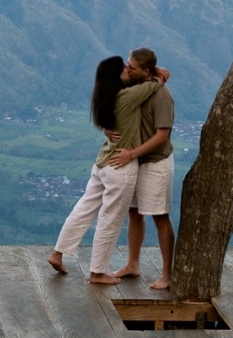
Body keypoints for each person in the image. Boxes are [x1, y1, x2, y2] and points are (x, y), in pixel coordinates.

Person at [47, 54, 168, 285]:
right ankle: (97, 272)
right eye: (124, 68)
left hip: (102, 163)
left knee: (84, 208)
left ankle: (57, 253)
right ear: (117, 76)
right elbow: (156, 82)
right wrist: (157, 70)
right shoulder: (128, 96)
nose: (127, 69)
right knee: (110, 219)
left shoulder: (104, 97)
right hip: (120, 166)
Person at [111, 47, 175, 290]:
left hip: (156, 162)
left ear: (145, 71)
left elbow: (162, 136)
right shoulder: (134, 87)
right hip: (136, 160)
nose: (127, 68)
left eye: (132, 66)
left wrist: (131, 154)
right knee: (134, 212)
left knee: (160, 216)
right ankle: (133, 264)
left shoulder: (162, 97)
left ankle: (167, 274)